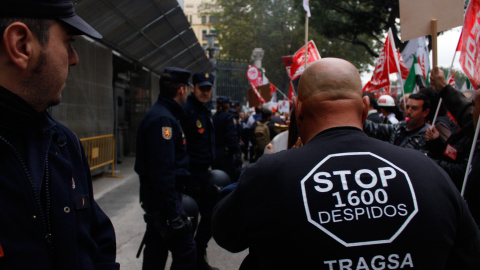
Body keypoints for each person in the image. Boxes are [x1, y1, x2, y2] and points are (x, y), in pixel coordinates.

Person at [212, 58, 480, 269]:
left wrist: (263, 174)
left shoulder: (269, 176)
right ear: (364, 108)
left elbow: (226, 236)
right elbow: (468, 254)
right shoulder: (428, 172)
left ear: (298, 109)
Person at [0, 1, 119, 269]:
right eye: (67, 42)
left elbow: (98, 241)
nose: (74, 58)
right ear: (21, 46)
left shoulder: (63, 142)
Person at [135, 67, 196, 270]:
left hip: (159, 202)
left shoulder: (164, 115)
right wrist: (172, 213)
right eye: (187, 88)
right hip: (163, 204)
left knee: (156, 252)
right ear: (181, 90)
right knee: (186, 253)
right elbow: (163, 172)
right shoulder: (164, 121)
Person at [430, 67, 480, 225]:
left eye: (474, 106)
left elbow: (460, 170)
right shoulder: (470, 132)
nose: (471, 112)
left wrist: (432, 164)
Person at [180, 71, 219, 270]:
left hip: (206, 174)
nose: (205, 92)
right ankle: (189, 263)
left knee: (211, 218)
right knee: (189, 224)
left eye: (208, 88)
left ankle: (198, 256)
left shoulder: (205, 110)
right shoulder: (186, 111)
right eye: (201, 88)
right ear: (192, 88)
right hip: (191, 175)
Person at [363, 93, 431, 154]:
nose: (408, 112)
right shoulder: (399, 127)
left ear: (425, 112)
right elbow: (375, 128)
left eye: (414, 108)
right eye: (407, 107)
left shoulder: (427, 135)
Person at [213, 96, 240, 181]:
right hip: (226, 155)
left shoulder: (213, 117)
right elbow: (231, 137)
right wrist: (235, 151)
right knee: (228, 179)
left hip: (215, 153)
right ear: (227, 105)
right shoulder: (229, 118)